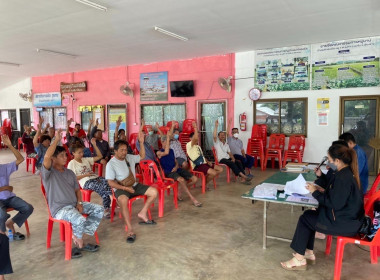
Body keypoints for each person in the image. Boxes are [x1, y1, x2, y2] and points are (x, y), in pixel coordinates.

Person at [280, 144, 364, 270]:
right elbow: (337, 196)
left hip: (343, 223)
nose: (329, 163)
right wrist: (321, 189)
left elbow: (334, 203)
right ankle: (308, 253)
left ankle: (299, 259)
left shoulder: (343, 178)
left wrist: (315, 192)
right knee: (309, 216)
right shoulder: (344, 172)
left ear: (337, 160)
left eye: (330, 160)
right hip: (346, 218)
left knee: (305, 219)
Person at [42, 129, 103, 258]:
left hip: (74, 204)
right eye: (62, 156)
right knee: (79, 219)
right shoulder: (48, 173)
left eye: (65, 155)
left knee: (99, 209)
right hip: (60, 209)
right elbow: (46, 157)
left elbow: (77, 190)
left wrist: (80, 203)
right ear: (53, 159)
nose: (66, 158)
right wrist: (57, 140)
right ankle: (79, 244)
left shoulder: (69, 173)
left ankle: (77, 235)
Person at [105, 133, 158, 244]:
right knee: (124, 200)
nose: (124, 152)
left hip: (133, 185)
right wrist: (125, 188)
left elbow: (142, 156)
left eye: (125, 149)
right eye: (121, 150)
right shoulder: (111, 164)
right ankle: (129, 229)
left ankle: (142, 213)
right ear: (115, 151)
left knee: (154, 192)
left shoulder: (129, 157)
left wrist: (142, 143)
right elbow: (110, 182)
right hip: (121, 188)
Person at [0, 134, 34, 241]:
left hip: (9, 198)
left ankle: (10, 223)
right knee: (2, 215)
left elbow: (20, 159)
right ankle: (2, 235)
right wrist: (5, 188)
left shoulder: (4, 167)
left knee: (28, 208)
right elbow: (7, 188)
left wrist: (10, 146)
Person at [68, 139, 113, 218]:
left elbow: (100, 156)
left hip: (94, 177)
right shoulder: (72, 163)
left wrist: (94, 145)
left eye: (82, 152)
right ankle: (108, 205)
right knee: (102, 187)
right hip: (86, 182)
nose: (82, 154)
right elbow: (73, 178)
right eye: (79, 152)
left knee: (107, 182)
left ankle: (108, 204)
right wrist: (86, 175)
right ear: (73, 153)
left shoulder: (85, 160)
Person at [157, 134, 201, 207]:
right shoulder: (159, 152)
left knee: (195, 179)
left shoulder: (171, 151)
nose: (169, 144)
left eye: (169, 142)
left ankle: (179, 191)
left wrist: (176, 166)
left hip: (177, 169)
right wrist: (168, 138)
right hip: (169, 172)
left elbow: (176, 161)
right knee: (182, 180)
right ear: (162, 142)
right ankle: (192, 198)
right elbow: (166, 152)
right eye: (167, 142)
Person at [213, 120, 252, 185]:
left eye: (223, 135)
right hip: (221, 159)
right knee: (231, 163)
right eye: (221, 135)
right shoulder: (216, 142)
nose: (223, 136)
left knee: (238, 162)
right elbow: (214, 136)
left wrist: (233, 158)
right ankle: (243, 176)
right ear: (218, 136)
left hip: (227, 158)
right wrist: (216, 126)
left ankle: (243, 179)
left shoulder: (226, 144)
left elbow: (230, 153)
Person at [186, 122, 222, 189]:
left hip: (204, 163)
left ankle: (205, 181)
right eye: (194, 137)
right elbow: (196, 139)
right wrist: (195, 128)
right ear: (190, 139)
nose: (196, 138)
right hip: (197, 165)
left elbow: (202, 156)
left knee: (220, 169)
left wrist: (208, 161)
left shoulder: (198, 147)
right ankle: (204, 184)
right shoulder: (189, 145)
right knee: (213, 173)